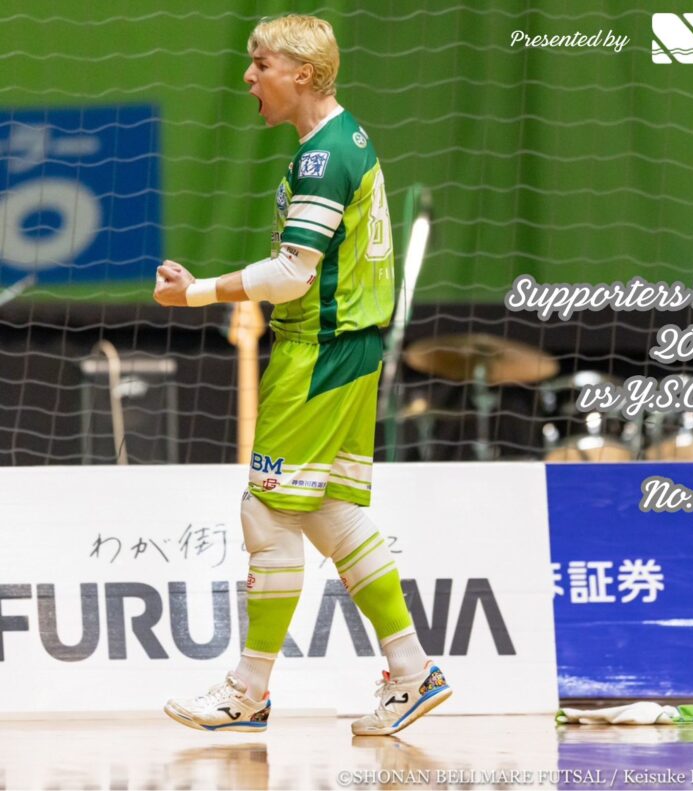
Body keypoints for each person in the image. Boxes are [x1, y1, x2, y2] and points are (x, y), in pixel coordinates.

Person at [155, 14, 450, 736]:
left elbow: (292, 274)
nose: (249, 76)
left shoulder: (323, 158)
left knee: (267, 511)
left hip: (319, 350)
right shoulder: (345, 139)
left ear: (304, 74)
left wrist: (195, 292)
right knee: (325, 510)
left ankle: (247, 692)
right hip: (348, 349)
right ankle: (412, 670)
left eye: (261, 64)